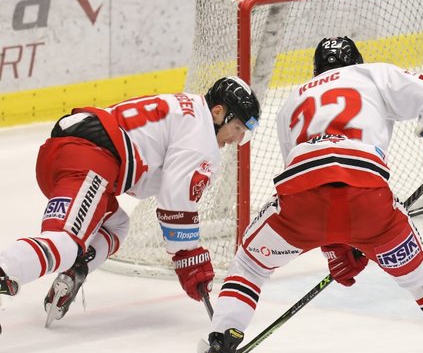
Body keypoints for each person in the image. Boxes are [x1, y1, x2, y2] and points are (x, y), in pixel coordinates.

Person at [187, 36, 423, 353]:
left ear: (315, 72)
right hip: (369, 197)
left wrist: (335, 246)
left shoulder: (292, 102)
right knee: (420, 277)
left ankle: (219, 346)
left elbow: (308, 183)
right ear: (357, 60)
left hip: (302, 200)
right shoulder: (372, 74)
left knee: (252, 265)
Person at [0, 77, 260, 327]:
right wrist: (188, 255)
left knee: (117, 225)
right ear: (217, 112)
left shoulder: (188, 110)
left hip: (66, 153)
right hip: (90, 158)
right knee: (65, 242)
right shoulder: (201, 137)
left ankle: (76, 268)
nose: (237, 139)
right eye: (237, 127)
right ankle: (8, 267)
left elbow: (156, 184)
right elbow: (175, 202)